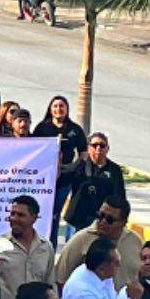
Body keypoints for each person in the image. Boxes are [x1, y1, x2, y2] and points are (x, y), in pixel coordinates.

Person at [32, 96, 88, 242]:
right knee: (42, 214)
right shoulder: (42, 128)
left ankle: (52, 244)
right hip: (44, 178)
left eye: (61, 106)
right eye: (55, 106)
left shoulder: (75, 130)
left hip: (65, 179)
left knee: (55, 214)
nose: (58, 109)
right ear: (50, 109)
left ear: (67, 109)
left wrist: (72, 167)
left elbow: (83, 153)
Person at [55, 198, 142, 289]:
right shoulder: (80, 240)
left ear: (123, 222)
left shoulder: (135, 241)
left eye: (110, 219)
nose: (103, 221)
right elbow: (61, 279)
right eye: (101, 216)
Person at [0, 195, 56, 299]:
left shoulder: (46, 247)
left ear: (34, 218)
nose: (14, 219)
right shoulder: (0, 246)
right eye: (12, 214)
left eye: (21, 215)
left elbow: (50, 283)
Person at [65, 133, 127, 232]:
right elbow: (64, 179)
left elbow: (120, 196)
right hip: (78, 220)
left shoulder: (114, 170)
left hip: (103, 222)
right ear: (89, 148)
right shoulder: (81, 166)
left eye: (102, 146)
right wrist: (80, 161)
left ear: (107, 149)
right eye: (94, 145)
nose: (98, 149)